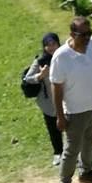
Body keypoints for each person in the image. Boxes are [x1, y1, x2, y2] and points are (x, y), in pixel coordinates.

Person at [50, 16, 92, 183]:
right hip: (75, 112)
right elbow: (56, 88)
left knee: (91, 140)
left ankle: (86, 172)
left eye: (89, 33)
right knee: (71, 150)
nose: (87, 38)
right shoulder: (61, 56)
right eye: (82, 35)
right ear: (71, 34)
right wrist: (60, 116)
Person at [22, 32, 62, 166]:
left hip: (66, 99)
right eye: (48, 45)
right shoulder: (40, 61)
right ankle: (58, 152)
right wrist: (40, 75)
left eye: (54, 44)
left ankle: (74, 151)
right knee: (53, 128)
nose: (51, 47)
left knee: (72, 126)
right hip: (48, 102)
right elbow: (28, 78)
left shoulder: (65, 56)